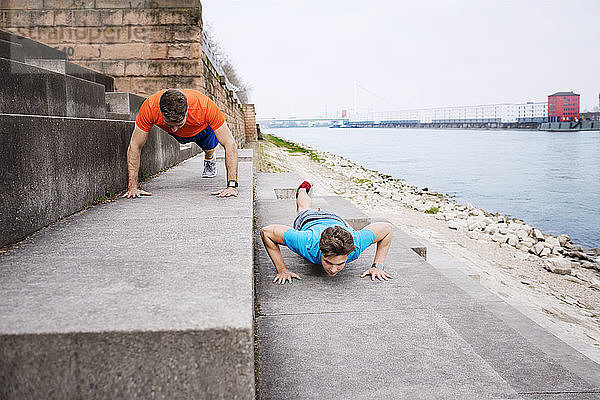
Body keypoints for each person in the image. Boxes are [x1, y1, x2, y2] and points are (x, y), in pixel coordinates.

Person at [260, 181, 394, 284]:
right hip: (310, 220)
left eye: (340, 264)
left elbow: (387, 229)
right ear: (320, 250)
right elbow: (267, 232)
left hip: (335, 219)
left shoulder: (356, 243)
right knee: (303, 208)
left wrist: (377, 266)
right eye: (328, 262)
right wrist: (282, 269)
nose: (333, 270)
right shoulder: (306, 242)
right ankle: (302, 189)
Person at [123, 88, 239, 199]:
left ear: (187, 110)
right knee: (176, 133)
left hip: (202, 131)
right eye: (169, 124)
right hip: (179, 137)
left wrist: (231, 186)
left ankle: (209, 158)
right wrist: (132, 187)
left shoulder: (204, 106)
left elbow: (230, 143)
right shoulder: (150, 107)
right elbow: (135, 145)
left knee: (209, 148)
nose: (174, 129)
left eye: (178, 124)